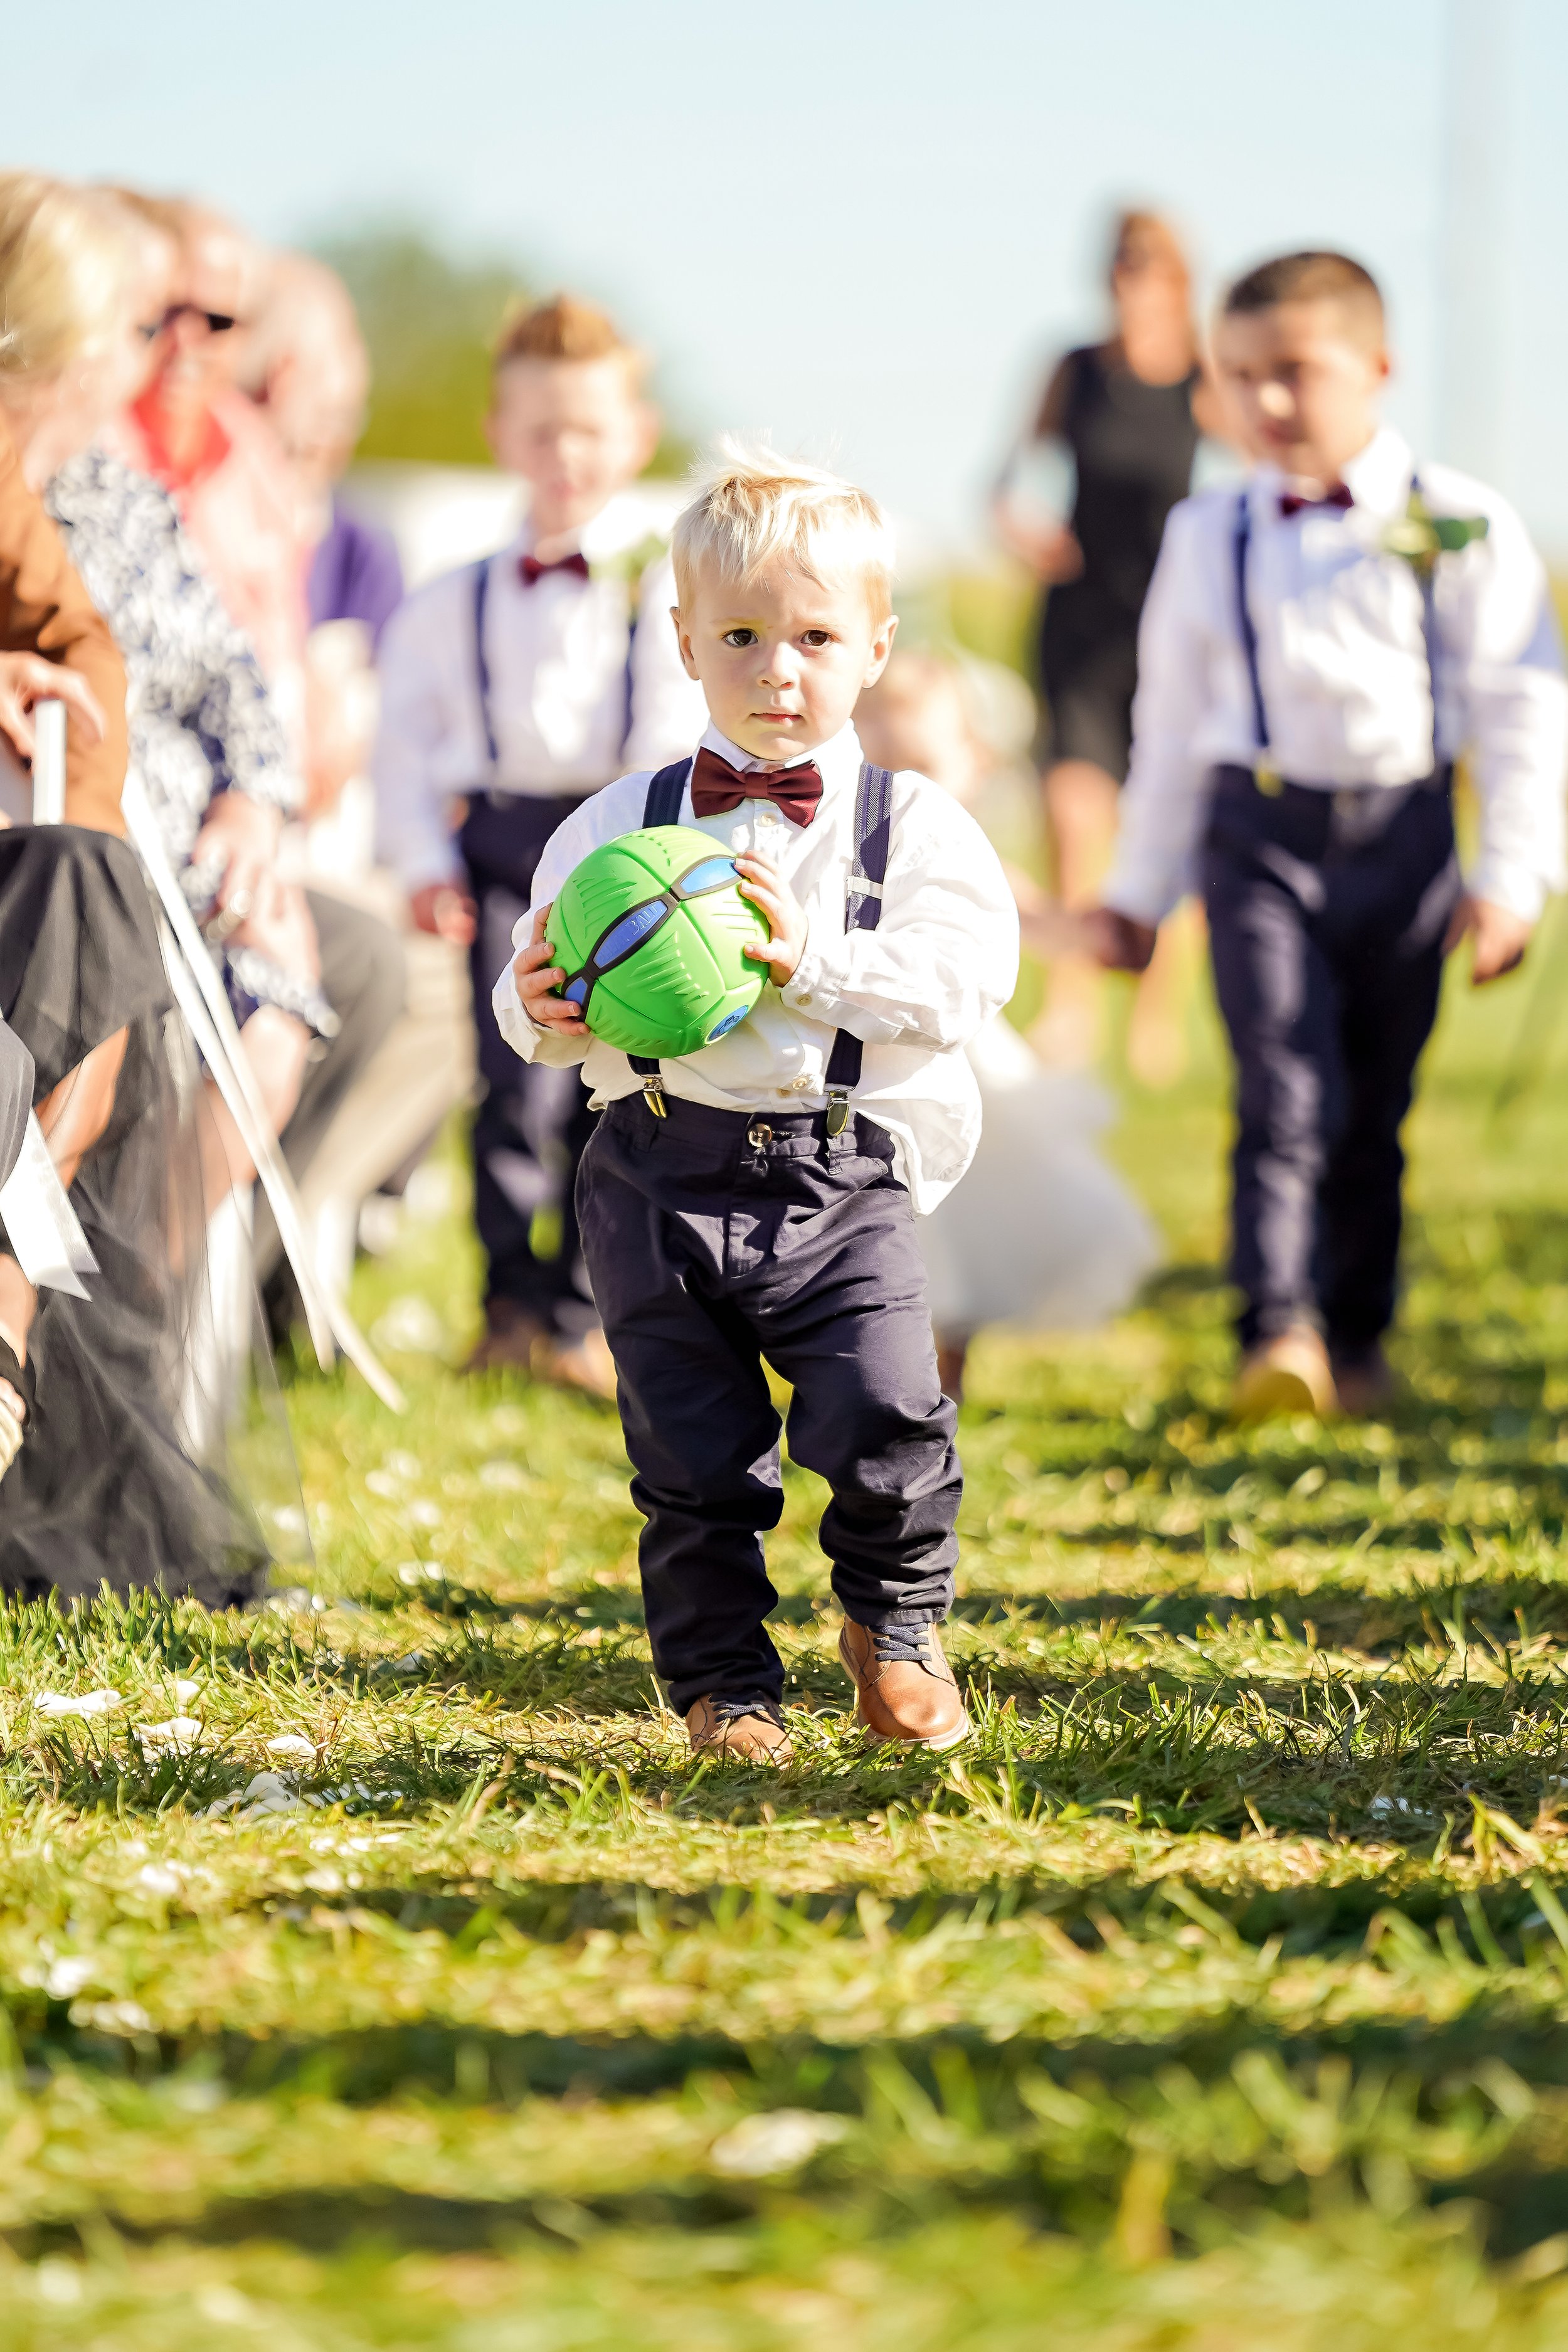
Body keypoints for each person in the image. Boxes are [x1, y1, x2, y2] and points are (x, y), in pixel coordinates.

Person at [496, 446, 1019, 1762]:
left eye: (813, 635)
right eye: (740, 635)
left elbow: (963, 986)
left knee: (890, 1413)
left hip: (842, 1176)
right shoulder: (618, 827)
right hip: (657, 1171)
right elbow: (529, 994)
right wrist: (543, 1004)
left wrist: (813, 959)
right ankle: (725, 1687)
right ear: (682, 642)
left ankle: (892, 1629)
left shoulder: (917, 828)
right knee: (692, 1459)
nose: (777, 668)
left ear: (876, 646)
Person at [1086, 250, 1568, 1420]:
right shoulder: (1210, 533)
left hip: (1405, 840)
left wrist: (1509, 876)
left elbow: (1519, 706)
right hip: (1257, 835)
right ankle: (1277, 1332)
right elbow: (1169, 717)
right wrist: (1140, 889)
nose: (1268, 404)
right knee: (1285, 1086)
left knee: (1374, 1106)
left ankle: (1357, 1339)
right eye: (1240, 376)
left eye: (1296, 371)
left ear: (1381, 368)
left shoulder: (1460, 525)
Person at [0, 172, 273, 1602]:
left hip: (70, 862)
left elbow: (104, 659)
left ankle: (9, 1290)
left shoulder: (58, 486)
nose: (147, 352)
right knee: (87, 904)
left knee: (92, 898)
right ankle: (6, 1286)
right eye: (129, 323)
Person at [375, 293, 704, 1392]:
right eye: (542, 431)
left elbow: (671, 732)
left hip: (616, 848)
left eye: (590, 431)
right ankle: (507, 1304)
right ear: (500, 437)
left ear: (636, 438)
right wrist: (425, 866)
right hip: (500, 848)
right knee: (510, 1080)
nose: (566, 454)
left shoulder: (666, 586)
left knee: (608, 1080)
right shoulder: (447, 604)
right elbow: (406, 750)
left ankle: (585, 1315)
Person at [854, 647, 1158, 1400]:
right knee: (877, 1222)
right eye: (877, 757)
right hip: (857, 1060)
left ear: (977, 765)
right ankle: (871, 1363)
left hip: (954, 1067)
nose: (901, 784)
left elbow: (1028, 917)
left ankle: (941, 1371)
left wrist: (1092, 936)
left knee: (965, 1215)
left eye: (921, 762)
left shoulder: (967, 852)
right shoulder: (833, 845)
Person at [997, 209, 1216, 1082]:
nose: (1133, 287)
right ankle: (1074, 1002)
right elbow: (1007, 476)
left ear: (1177, 283)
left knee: (1166, 817)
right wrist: (1020, 525)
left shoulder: (1205, 377)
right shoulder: (1073, 370)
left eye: (1151, 272)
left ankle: (1157, 1016)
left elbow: (1270, 460)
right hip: (1077, 617)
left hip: (1171, 625)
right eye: (1122, 270)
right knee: (1074, 816)